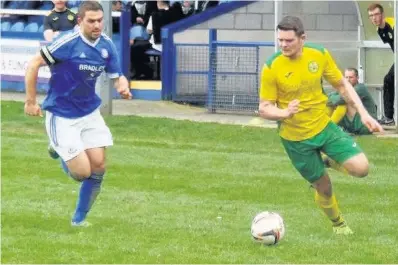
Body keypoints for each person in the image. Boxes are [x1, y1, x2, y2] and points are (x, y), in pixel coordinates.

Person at [258, 16, 383, 235]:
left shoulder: (319, 54)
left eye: (289, 40)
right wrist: (284, 112)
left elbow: (342, 85)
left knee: (362, 168)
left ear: (302, 38)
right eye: (280, 40)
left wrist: (364, 114)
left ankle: (327, 161)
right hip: (295, 139)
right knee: (324, 187)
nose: (283, 45)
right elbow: (264, 107)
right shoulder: (272, 67)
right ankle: (339, 224)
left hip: (324, 127)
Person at [24, 1, 132, 227]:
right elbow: (33, 64)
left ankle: (78, 220)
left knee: (99, 166)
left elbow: (117, 74)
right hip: (61, 114)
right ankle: (57, 148)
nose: (97, 25)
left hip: (89, 112)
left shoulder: (106, 45)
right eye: (91, 21)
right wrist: (31, 102)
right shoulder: (67, 43)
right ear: (80, 21)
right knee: (83, 173)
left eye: (100, 20)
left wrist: (123, 85)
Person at [327, 67, 378, 135]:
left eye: (351, 77)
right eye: (346, 77)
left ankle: (330, 128)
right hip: (356, 125)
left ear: (357, 78)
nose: (348, 80)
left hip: (366, 126)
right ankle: (324, 127)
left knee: (342, 103)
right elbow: (328, 97)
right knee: (332, 103)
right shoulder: (345, 88)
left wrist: (328, 100)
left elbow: (342, 99)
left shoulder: (360, 88)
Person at [368, 3, 395, 126]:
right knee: (389, 80)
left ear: (382, 14)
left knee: (389, 79)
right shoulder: (379, 29)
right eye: (371, 16)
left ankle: (389, 117)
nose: (374, 18)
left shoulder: (393, 24)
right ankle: (388, 117)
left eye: (376, 14)